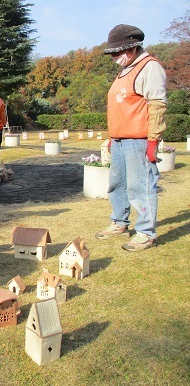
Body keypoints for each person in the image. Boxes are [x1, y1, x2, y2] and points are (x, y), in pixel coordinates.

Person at [95, 24, 167, 251]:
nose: (114, 57)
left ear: (132, 48)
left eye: (117, 52)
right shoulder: (125, 70)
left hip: (138, 140)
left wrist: (153, 141)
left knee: (140, 186)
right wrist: (112, 136)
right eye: (112, 53)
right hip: (119, 140)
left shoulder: (149, 67)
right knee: (117, 185)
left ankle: (146, 232)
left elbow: (157, 105)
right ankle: (119, 222)